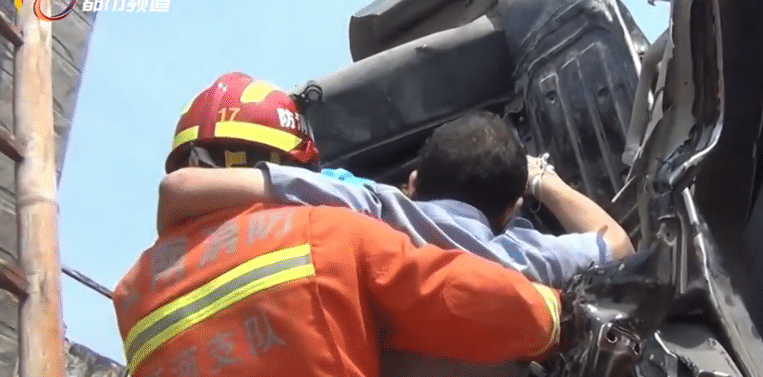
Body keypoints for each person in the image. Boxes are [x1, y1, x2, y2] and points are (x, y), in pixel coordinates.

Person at [112, 73, 566, 377]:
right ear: (296, 170)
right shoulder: (327, 233)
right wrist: (555, 312)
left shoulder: (132, 293)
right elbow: (465, 296)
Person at [159, 111, 634, 289]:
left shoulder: (373, 207)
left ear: (412, 180)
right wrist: (543, 180)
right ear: (510, 212)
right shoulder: (522, 257)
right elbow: (617, 244)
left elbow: (180, 190)